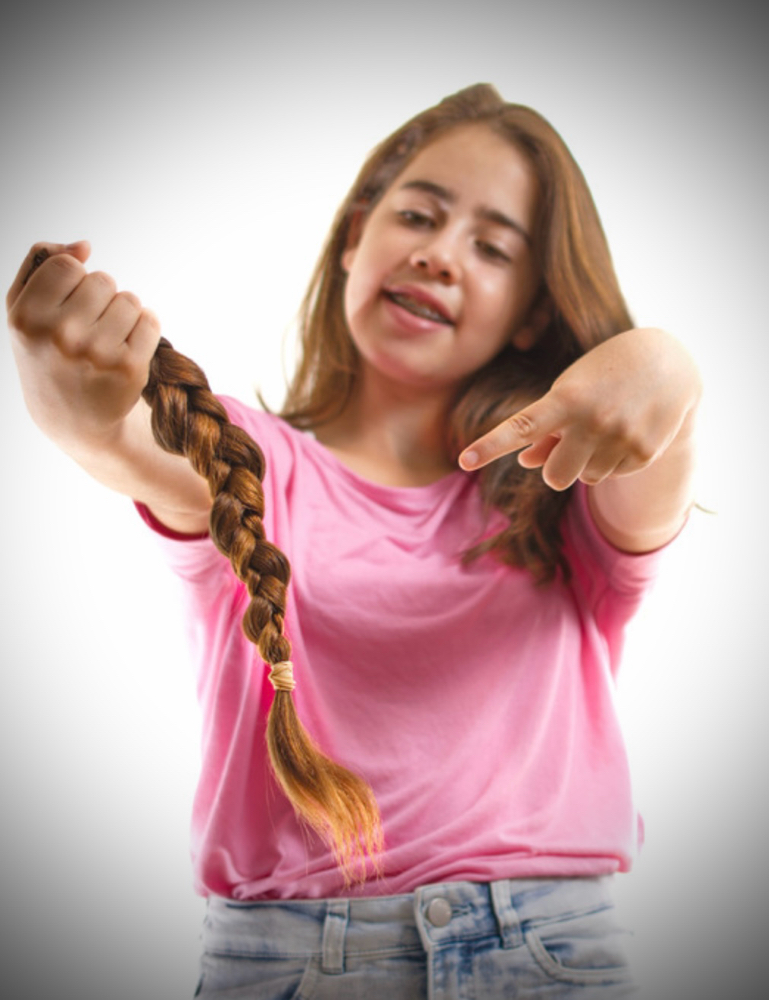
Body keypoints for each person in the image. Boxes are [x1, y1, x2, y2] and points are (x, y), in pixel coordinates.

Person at [6, 84, 700, 999]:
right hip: (294, 963)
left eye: (492, 247)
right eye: (417, 214)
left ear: (534, 312)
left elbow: (652, 452)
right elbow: (129, 446)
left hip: (550, 952)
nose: (437, 254)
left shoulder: (558, 492)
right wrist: (79, 415)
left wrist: (666, 365)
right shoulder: (253, 460)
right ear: (353, 240)